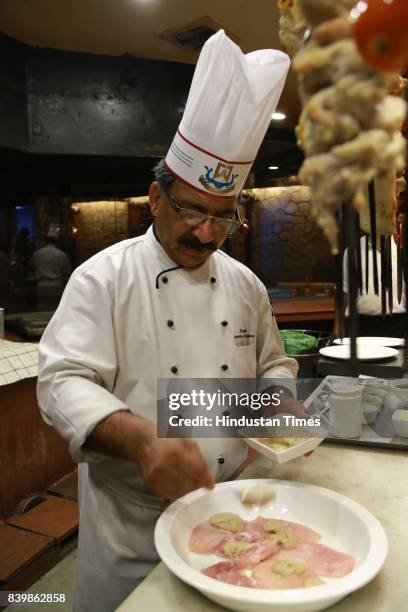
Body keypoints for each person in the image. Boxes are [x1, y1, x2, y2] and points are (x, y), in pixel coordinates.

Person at [37, 31, 295, 612]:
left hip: (232, 516)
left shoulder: (245, 284)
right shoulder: (103, 278)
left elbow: (273, 366)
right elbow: (61, 383)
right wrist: (145, 438)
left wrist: (276, 403)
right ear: (155, 197)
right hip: (132, 531)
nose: (205, 233)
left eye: (223, 219)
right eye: (190, 210)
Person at [333, 233, 406, 338]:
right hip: (361, 324)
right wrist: (337, 325)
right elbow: (343, 290)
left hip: (397, 324)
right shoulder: (353, 249)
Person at [30, 232, 71, 310]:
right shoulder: (61, 254)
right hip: (56, 284)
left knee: (42, 308)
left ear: (45, 241)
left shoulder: (37, 253)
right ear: (56, 241)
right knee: (55, 309)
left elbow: (31, 267)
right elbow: (66, 270)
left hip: (42, 284)